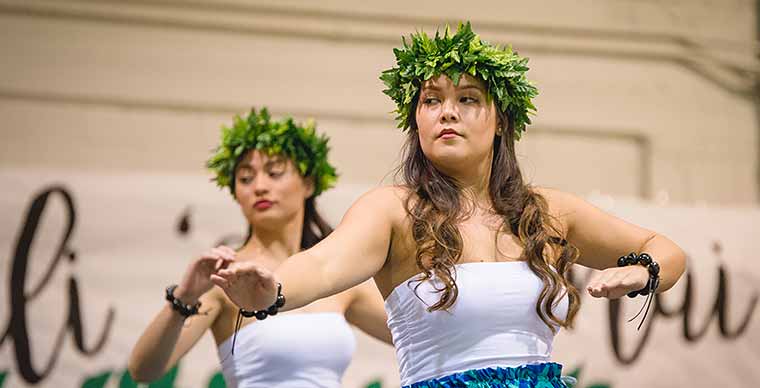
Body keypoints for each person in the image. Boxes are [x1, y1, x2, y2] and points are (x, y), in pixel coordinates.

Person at [210, 23, 687, 388]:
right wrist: (270, 292)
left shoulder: (546, 212)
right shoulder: (393, 211)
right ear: (416, 119)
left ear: (501, 121)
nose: (448, 112)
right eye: (431, 100)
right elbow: (321, 264)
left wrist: (645, 269)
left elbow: (664, 249)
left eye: (467, 98)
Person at [128, 108, 393, 388]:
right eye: (245, 178)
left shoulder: (337, 276)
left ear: (308, 183)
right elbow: (143, 371)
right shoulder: (227, 279)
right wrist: (184, 298)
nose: (259, 186)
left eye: (274, 172)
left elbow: (418, 334)